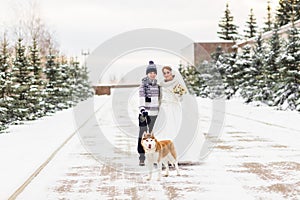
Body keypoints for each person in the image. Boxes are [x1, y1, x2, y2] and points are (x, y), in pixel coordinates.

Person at [153, 66, 186, 143]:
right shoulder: (161, 84)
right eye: (164, 73)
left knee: (174, 125)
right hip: (164, 107)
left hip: (174, 106)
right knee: (163, 126)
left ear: (171, 72)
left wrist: (177, 94)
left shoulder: (177, 83)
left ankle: (175, 143)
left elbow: (181, 99)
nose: (166, 74)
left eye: (168, 72)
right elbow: (160, 97)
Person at [137, 61, 160, 166]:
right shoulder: (143, 85)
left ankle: (154, 157)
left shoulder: (158, 85)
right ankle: (141, 157)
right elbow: (141, 99)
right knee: (142, 135)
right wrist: (142, 110)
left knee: (153, 137)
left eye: (154, 72)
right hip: (144, 113)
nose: (152, 74)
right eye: (150, 72)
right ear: (147, 74)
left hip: (155, 113)